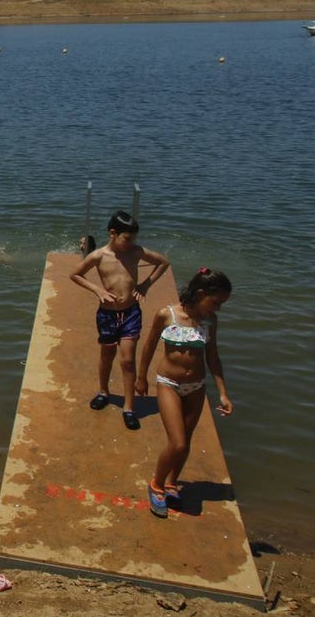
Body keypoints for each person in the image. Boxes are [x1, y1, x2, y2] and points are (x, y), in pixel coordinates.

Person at [136, 268, 233, 518]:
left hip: (197, 387)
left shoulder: (210, 321)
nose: (218, 308)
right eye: (215, 302)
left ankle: (171, 483)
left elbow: (213, 358)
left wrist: (223, 393)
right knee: (177, 443)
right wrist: (140, 377)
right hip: (168, 383)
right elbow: (148, 347)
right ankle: (156, 484)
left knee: (186, 441)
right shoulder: (166, 315)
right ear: (200, 293)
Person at [70, 210, 169, 430]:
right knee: (107, 354)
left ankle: (129, 407)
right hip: (107, 313)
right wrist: (97, 289)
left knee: (127, 359)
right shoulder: (98, 255)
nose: (131, 243)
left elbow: (163, 262)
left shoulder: (135, 252)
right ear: (113, 233)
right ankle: (103, 392)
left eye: (133, 239)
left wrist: (145, 285)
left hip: (131, 312)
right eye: (127, 239)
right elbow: (75, 274)